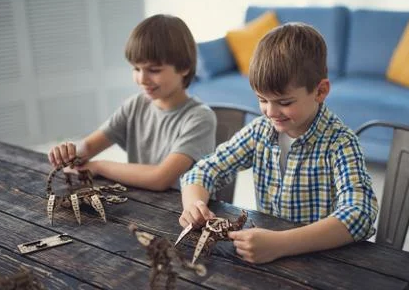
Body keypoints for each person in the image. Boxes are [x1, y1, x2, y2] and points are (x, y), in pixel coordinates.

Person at [178, 22, 378, 263]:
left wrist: (281, 244)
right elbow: (203, 170)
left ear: (320, 91)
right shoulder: (260, 131)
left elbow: (360, 214)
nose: (271, 112)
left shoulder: (341, 143)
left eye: (284, 102)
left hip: (321, 262)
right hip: (268, 259)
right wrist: (194, 204)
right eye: (262, 99)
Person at [47, 14, 216, 191]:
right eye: (136, 68)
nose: (142, 79)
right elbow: (88, 146)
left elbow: (160, 178)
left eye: (154, 70)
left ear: (184, 68)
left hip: (181, 212)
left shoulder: (200, 118)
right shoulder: (135, 105)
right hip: (144, 205)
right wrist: (71, 154)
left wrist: (98, 166)